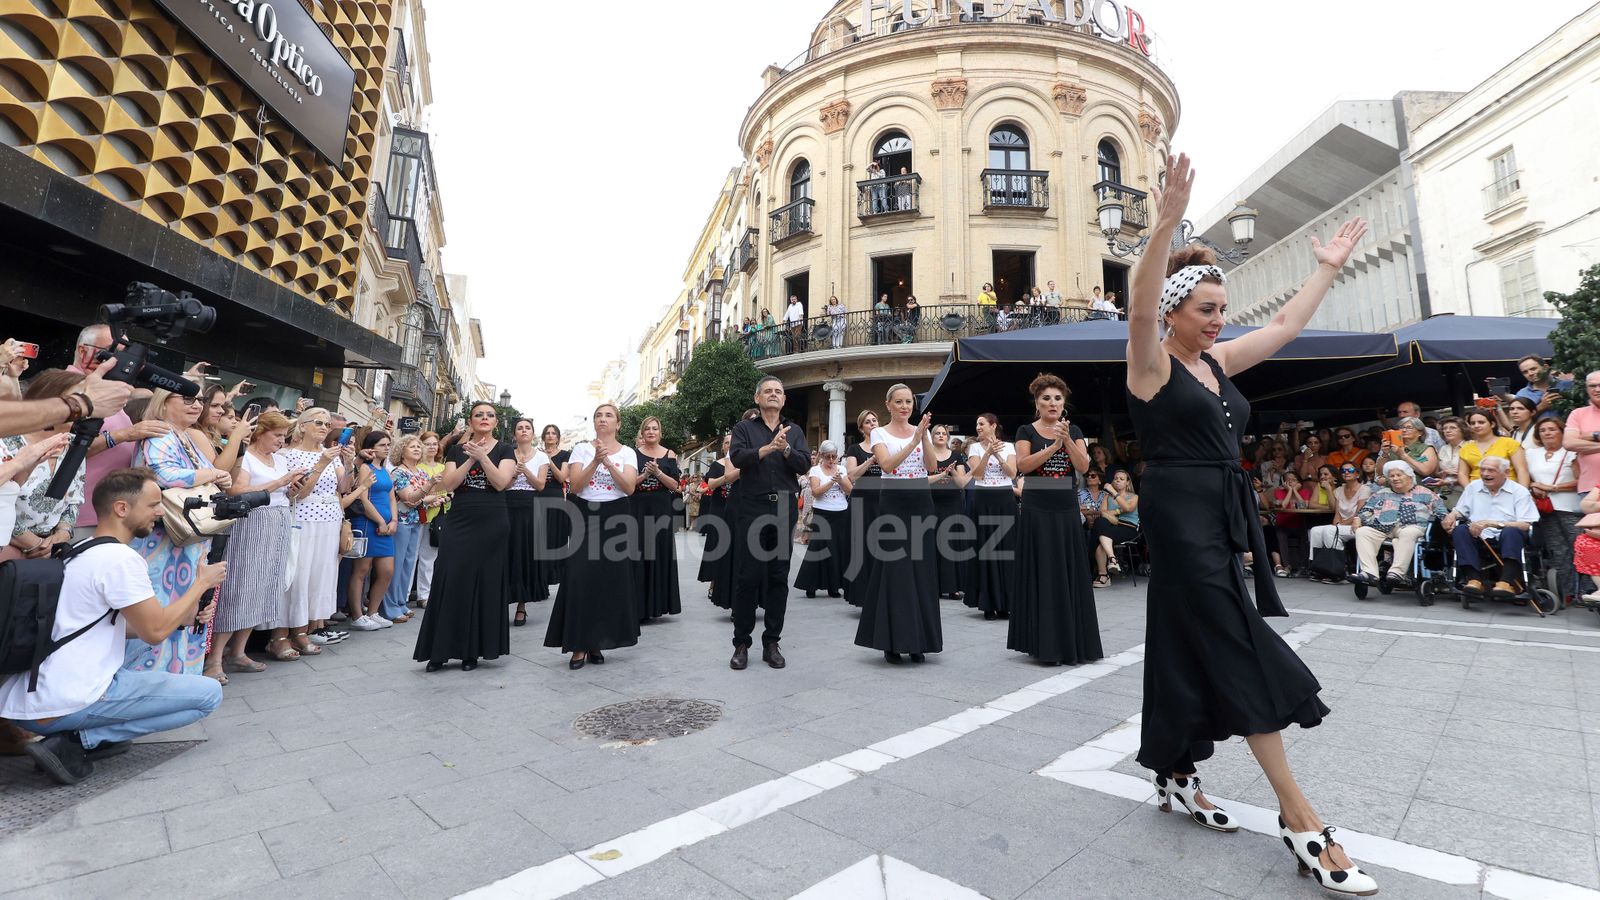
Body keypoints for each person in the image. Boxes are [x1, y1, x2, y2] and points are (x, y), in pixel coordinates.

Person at [1125, 152, 1378, 892]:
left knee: (1182, 643)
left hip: (1220, 510)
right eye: (1206, 309)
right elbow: (1138, 307)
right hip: (1178, 514)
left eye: (1221, 309)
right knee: (1236, 640)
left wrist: (1327, 267)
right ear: (1174, 313)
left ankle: (1174, 771)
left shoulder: (1218, 365)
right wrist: (1165, 223)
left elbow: (1288, 326)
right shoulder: (1150, 363)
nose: (1219, 319)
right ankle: (1300, 817)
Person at [1, 469, 225, 785]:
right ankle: (77, 742)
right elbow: (154, 631)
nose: (160, 512)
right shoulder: (120, 559)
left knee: (139, 641)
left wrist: (186, 618)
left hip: (32, 697)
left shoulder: (82, 549)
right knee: (209, 695)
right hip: (64, 702)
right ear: (122, 508)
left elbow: (125, 627)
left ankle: (80, 736)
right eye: (153, 505)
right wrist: (200, 583)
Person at [127, 389, 233, 676]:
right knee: (163, 609)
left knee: (187, 608)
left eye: (199, 400)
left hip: (185, 541)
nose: (197, 405)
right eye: (187, 399)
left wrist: (217, 474)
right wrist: (212, 474)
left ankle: (175, 678)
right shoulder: (160, 433)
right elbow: (163, 475)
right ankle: (152, 683)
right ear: (164, 402)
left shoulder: (184, 435)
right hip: (163, 541)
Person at [413, 401, 516, 672]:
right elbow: (448, 484)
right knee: (450, 577)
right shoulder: (457, 450)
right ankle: (440, 649)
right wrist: (471, 457)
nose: (484, 418)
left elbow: (500, 483)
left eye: (489, 415)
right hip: (460, 517)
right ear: (471, 421)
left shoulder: (506, 450)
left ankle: (473, 651)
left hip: (493, 519)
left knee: (484, 582)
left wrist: (483, 457)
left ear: (495, 422)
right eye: (479, 415)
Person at [204, 411, 306, 679]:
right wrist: (279, 483)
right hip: (251, 524)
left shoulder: (279, 459)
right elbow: (235, 492)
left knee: (263, 587)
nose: (281, 441)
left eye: (284, 436)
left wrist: (291, 488)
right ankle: (214, 659)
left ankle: (239, 652)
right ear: (260, 433)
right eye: (277, 435)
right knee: (240, 587)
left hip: (278, 522)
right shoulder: (246, 457)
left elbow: (284, 492)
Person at [1009, 373, 1100, 666]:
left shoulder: (1074, 431)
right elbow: (1022, 466)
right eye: (1046, 398)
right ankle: (1042, 641)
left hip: (1065, 505)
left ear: (1064, 403)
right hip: (1037, 505)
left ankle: (1072, 638)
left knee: (1069, 569)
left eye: (1058, 398)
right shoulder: (1026, 430)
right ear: (1037, 402)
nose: (1052, 403)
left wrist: (1067, 440)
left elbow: (1084, 466)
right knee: (1042, 569)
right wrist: (1051, 447)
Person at [545, 403, 639, 668]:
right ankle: (578, 643)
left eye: (608, 415)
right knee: (579, 577)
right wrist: (595, 460)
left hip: (617, 515)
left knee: (609, 581)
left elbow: (629, 487)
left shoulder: (628, 452)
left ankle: (598, 641)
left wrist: (607, 462)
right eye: (598, 415)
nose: (602, 419)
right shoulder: (582, 449)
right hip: (585, 514)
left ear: (618, 424)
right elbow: (574, 485)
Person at [854, 384, 940, 664]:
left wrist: (923, 437)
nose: (905, 407)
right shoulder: (879, 432)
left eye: (909, 403)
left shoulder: (922, 430)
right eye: (899, 402)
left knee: (921, 568)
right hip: (892, 500)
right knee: (895, 569)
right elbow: (888, 465)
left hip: (920, 498)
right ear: (888, 404)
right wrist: (914, 441)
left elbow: (930, 467)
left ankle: (919, 641)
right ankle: (891, 639)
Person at [727, 377, 809, 670]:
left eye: (779, 391)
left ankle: (772, 641)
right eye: (768, 391)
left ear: (784, 400)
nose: (774, 395)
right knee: (748, 576)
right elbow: (737, 458)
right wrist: (768, 448)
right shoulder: (744, 429)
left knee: (778, 575)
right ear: (757, 397)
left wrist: (785, 449)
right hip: (752, 506)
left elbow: (804, 465)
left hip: (784, 507)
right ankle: (741, 642)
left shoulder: (795, 431)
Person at [66, 324, 169, 541]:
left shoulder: (108, 390)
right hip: (76, 516)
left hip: (111, 515)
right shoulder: (66, 389)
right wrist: (125, 434)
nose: (119, 361)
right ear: (84, 352)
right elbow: (62, 448)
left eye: (125, 354)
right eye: (112, 353)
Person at [277, 409, 350, 650]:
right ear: (303, 426)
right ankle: (280, 636)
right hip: (303, 518)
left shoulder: (330, 454)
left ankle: (303, 630)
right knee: (298, 574)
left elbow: (345, 487)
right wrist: (321, 463)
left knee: (318, 575)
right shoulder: (289, 454)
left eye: (327, 424)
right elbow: (298, 493)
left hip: (329, 519)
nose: (323, 427)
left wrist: (348, 463)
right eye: (318, 422)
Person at [2, 371, 90, 562]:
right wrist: (34, 544)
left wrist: (62, 535)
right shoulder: (8, 441)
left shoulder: (76, 445)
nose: (83, 408)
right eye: (75, 400)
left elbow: (74, 500)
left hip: (47, 553)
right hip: (7, 547)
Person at [1443, 455, 1538, 599]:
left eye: (1491, 470)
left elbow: (1526, 524)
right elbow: (1460, 510)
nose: (1485, 474)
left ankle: (1506, 582)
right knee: (1461, 530)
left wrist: (1493, 523)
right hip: (1478, 535)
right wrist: (1451, 515)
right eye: (1483, 469)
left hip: (1507, 535)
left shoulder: (1519, 491)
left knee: (1511, 532)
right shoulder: (1473, 487)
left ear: (1505, 473)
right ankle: (1474, 580)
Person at [1351, 460, 1447, 587]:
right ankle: (1369, 573)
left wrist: (1446, 520)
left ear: (1408, 476)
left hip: (1412, 527)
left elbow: (1441, 511)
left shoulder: (1424, 492)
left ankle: (1396, 572)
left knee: (1408, 533)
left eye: (1399, 475)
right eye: (1391, 476)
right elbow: (1366, 510)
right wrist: (1358, 518)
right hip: (1383, 527)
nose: (1395, 478)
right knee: (1363, 531)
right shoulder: (1382, 492)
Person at [963, 413, 1017, 620]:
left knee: (1006, 548)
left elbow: (1012, 473)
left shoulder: (1009, 447)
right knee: (986, 548)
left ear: (993, 426)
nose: (978, 427)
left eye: (981, 424)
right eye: (977, 424)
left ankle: (1006, 603)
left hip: (1004, 498)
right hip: (983, 498)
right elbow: (977, 475)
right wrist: (987, 453)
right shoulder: (974, 448)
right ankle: (988, 603)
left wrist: (998, 455)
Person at [1525, 415, 1581, 604]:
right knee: (1558, 550)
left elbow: (1582, 481)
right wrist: (1534, 486)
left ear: (1562, 432)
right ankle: (1568, 592)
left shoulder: (1571, 452)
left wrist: (1554, 488)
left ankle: (1588, 590)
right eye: (1543, 430)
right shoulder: (1532, 453)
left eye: (1552, 429)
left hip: (1570, 507)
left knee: (1579, 548)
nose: (1547, 433)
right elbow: (1527, 477)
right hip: (1546, 509)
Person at [345, 432, 397, 632]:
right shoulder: (365, 468)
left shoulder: (385, 470)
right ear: (371, 447)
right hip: (367, 523)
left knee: (386, 571)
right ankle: (357, 615)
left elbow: (392, 498)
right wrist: (380, 521)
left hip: (385, 524)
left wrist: (393, 520)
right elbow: (363, 499)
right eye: (382, 444)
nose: (386, 448)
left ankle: (373, 612)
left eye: (388, 444)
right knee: (361, 571)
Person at [634, 415, 682, 621]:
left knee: (660, 553)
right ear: (642, 433)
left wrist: (658, 473)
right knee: (639, 554)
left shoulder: (669, 454)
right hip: (637, 509)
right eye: (647, 429)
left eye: (655, 428)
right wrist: (645, 475)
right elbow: (627, 484)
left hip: (661, 510)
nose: (651, 431)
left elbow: (675, 486)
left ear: (660, 432)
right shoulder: (633, 454)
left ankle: (659, 604)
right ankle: (639, 607)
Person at [383, 434, 434, 625]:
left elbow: (419, 498)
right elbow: (410, 498)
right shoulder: (398, 472)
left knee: (408, 563)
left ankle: (400, 602)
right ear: (401, 450)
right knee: (397, 564)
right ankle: (390, 606)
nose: (416, 449)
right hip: (402, 521)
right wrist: (428, 490)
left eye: (418, 447)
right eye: (411, 446)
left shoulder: (420, 472)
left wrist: (428, 497)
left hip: (416, 520)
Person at [506, 419, 551, 626]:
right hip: (507, 505)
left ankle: (521, 606)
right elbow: (502, 484)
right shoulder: (506, 453)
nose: (524, 431)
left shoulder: (541, 456)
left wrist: (525, 471)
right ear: (514, 434)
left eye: (527, 428)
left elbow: (541, 485)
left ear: (533, 434)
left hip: (531, 506)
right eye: (520, 428)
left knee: (524, 555)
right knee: (507, 555)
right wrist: (514, 475)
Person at [794, 440, 851, 599]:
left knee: (837, 550)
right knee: (817, 548)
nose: (831, 460)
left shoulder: (841, 469)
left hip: (841, 512)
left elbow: (849, 490)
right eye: (828, 457)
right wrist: (832, 481)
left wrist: (841, 480)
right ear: (822, 456)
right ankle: (810, 585)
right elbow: (816, 492)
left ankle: (834, 587)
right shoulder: (815, 470)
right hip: (823, 512)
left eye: (834, 457)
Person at [843, 409, 883, 607]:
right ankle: (862, 596)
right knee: (861, 548)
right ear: (861, 428)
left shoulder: (886, 447)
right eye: (868, 422)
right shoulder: (854, 449)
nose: (872, 423)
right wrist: (870, 460)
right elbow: (851, 476)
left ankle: (881, 595)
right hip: (862, 502)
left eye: (875, 420)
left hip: (883, 502)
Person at [927, 424, 968, 600]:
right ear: (932, 436)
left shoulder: (957, 456)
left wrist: (951, 472)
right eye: (937, 433)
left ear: (948, 437)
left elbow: (962, 484)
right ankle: (933, 586)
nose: (941, 436)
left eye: (944, 433)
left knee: (951, 543)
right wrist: (941, 475)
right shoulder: (927, 456)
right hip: (931, 503)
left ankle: (952, 587)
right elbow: (922, 480)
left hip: (952, 504)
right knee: (933, 543)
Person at [698, 433, 738, 609]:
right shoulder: (717, 465)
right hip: (719, 510)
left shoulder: (743, 464)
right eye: (727, 443)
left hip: (737, 511)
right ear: (723, 447)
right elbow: (711, 484)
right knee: (717, 547)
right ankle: (714, 583)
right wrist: (729, 476)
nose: (729, 445)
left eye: (732, 443)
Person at [1091, 468, 1140, 587]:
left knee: (1100, 535)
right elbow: (1103, 513)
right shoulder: (1107, 497)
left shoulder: (1134, 497)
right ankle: (1112, 558)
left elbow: (1128, 508)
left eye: (1121, 479)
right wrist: (1118, 512)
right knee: (1100, 522)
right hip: (1111, 527)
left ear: (1127, 482)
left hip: (1129, 529)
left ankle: (1103, 576)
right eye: (1116, 478)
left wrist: (1114, 494)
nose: (1117, 480)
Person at [537, 424, 570, 588]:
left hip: (555, 498)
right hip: (537, 497)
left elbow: (562, 476)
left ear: (558, 437)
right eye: (547, 433)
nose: (550, 436)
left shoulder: (565, 455)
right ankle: (540, 576)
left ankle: (554, 575)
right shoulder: (536, 454)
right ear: (543, 437)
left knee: (554, 538)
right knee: (539, 538)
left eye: (553, 433)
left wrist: (548, 460)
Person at [1459, 409, 1527, 486]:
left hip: (1508, 488)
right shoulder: (1465, 448)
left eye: (1481, 422)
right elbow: (1462, 474)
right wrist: (1470, 491)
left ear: (1492, 424)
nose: (1476, 425)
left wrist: (1522, 492)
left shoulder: (1509, 443)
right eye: (1472, 423)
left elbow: (1521, 470)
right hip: (1477, 490)